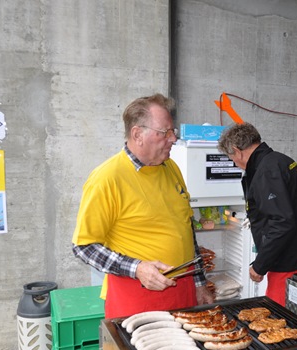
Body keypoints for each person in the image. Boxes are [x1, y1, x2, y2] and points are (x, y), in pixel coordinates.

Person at [72, 93, 213, 319]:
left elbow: (185, 229)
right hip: (137, 299)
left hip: (184, 293)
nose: (173, 139)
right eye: (165, 132)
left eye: (173, 131)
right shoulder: (107, 178)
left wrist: (199, 284)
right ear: (137, 134)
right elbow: (84, 246)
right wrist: (137, 268)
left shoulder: (171, 168)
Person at [217, 122, 297, 306]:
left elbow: (282, 223)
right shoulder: (279, 160)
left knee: (280, 317)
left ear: (237, 150)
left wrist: (260, 265)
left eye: (232, 158)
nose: (235, 164)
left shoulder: (266, 171)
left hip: (291, 263)